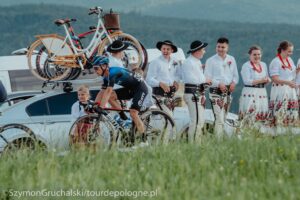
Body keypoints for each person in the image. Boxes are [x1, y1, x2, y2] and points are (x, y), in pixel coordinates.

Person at [93, 56, 148, 134]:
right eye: (94, 68)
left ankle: (144, 140)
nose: (95, 71)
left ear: (104, 66)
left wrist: (101, 107)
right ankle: (124, 118)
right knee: (111, 97)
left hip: (140, 88)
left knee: (133, 113)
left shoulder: (112, 73)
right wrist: (95, 104)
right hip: (130, 88)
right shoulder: (105, 77)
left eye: (96, 68)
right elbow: (102, 91)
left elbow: (108, 91)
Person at [204, 37, 239, 137]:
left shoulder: (231, 59)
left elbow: (235, 75)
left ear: (227, 48)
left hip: (228, 93)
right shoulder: (210, 60)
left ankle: (214, 137)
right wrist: (218, 83)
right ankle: (218, 141)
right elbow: (207, 78)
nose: (220, 49)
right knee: (219, 118)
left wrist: (234, 83)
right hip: (215, 92)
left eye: (222, 47)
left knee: (223, 118)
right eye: (218, 46)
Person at [181, 40, 211, 143]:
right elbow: (190, 79)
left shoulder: (197, 62)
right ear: (197, 51)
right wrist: (205, 80)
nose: (204, 51)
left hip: (198, 93)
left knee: (200, 121)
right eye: (203, 49)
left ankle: (196, 142)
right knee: (196, 120)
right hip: (192, 92)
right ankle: (193, 144)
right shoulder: (188, 62)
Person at [269, 41, 298, 132]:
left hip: (289, 89)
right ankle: (278, 131)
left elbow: (292, 75)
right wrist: (288, 82)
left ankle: (289, 131)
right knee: (280, 111)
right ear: (282, 50)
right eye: (289, 51)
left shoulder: (290, 60)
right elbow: (274, 78)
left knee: (291, 112)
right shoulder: (276, 61)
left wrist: (297, 70)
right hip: (279, 89)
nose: (291, 54)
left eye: (291, 51)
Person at [239, 45, 271, 128]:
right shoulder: (246, 66)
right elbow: (247, 81)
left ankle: (260, 133)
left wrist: (267, 80)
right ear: (250, 55)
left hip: (261, 92)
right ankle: (247, 131)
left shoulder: (263, 65)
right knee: (250, 113)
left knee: (261, 113)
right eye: (254, 54)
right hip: (250, 91)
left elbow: (266, 78)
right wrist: (262, 80)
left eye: (259, 54)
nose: (257, 56)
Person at [146, 40, 180, 115]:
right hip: (159, 94)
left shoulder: (175, 61)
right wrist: (160, 83)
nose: (165, 51)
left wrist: (176, 81)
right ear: (161, 49)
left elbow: (178, 74)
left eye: (168, 49)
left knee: (168, 117)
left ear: (172, 50)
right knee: (169, 117)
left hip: (171, 95)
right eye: (164, 49)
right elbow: (149, 79)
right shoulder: (155, 62)